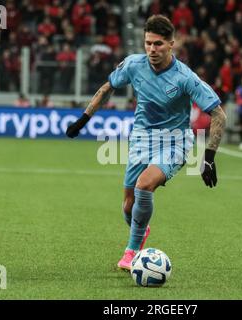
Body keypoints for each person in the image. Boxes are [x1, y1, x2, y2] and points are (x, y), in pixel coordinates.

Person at [65, 15, 227, 271]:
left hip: (175, 141)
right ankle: (141, 230)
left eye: (158, 44)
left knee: (144, 186)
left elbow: (218, 113)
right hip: (141, 138)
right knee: (128, 206)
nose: (152, 49)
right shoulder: (133, 65)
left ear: (172, 44)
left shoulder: (185, 77)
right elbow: (108, 87)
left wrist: (208, 157)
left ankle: (131, 252)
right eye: (148, 43)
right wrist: (83, 119)